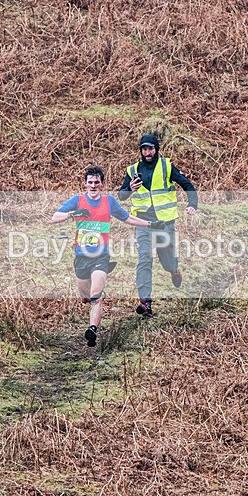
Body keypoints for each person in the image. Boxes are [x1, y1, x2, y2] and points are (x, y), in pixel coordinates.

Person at [52, 166, 164, 347]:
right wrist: (74, 214)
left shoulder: (109, 201)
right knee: (85, 298)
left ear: (102, 184)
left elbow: (128, 218)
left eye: (97, 182)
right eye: (90, 182)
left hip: (101, 257)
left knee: (96, 296)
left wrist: (151, 224)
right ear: (85, 184)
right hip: (81, 257)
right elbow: (55, 217)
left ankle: (92, 330)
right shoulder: (78, 200)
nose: (93, 185)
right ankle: (90, 304)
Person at [118, 133, 198, 318]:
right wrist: (130, 188)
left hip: (164, 222)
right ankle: (145, 302)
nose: (147, 153)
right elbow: (121, 196)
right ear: (140, 151)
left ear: (156, 149)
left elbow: (187, 185)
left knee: (166, 253)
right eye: (144, 149)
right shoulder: (133, 170)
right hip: (143, 223)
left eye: (150, 149)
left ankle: (173, 269)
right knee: (144, 258)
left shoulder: (166, 166)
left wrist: (192, 204)